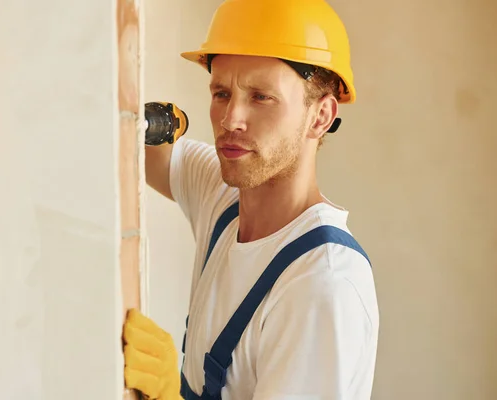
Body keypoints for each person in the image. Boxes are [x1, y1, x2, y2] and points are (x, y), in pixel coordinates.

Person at [122, 0, 380, 398]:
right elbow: (132, 146)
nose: (230, 120)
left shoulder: (321, 285)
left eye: (261, 97)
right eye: (221, 93)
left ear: (321, 116)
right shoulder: (222, 193)